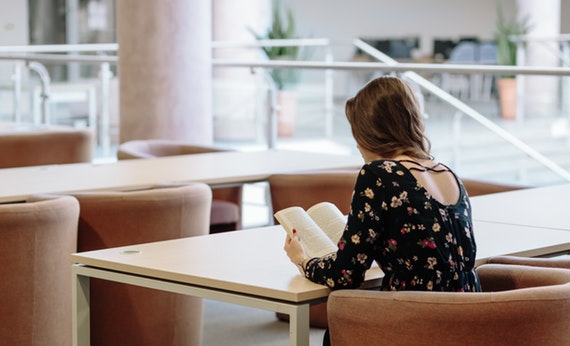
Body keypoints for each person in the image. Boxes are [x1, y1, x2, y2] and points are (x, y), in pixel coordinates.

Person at [284, 75, 481, 345]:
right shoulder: (448, 173)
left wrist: (302, 260)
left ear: (371, 132)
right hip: (472, 315)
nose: (356, 145)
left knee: (339, 323)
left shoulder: (379, 174)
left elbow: (346, 274)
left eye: (357, 133)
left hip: (419, 317)